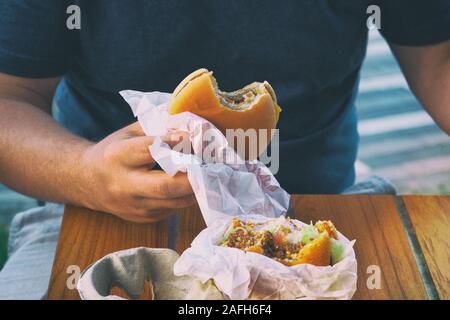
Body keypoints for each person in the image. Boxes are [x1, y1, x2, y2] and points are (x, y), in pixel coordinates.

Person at [0, 0, 449, 299]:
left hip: (321, 219)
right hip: (96, 219)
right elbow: (9, 97)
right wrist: (84, 174)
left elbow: (438, 64)